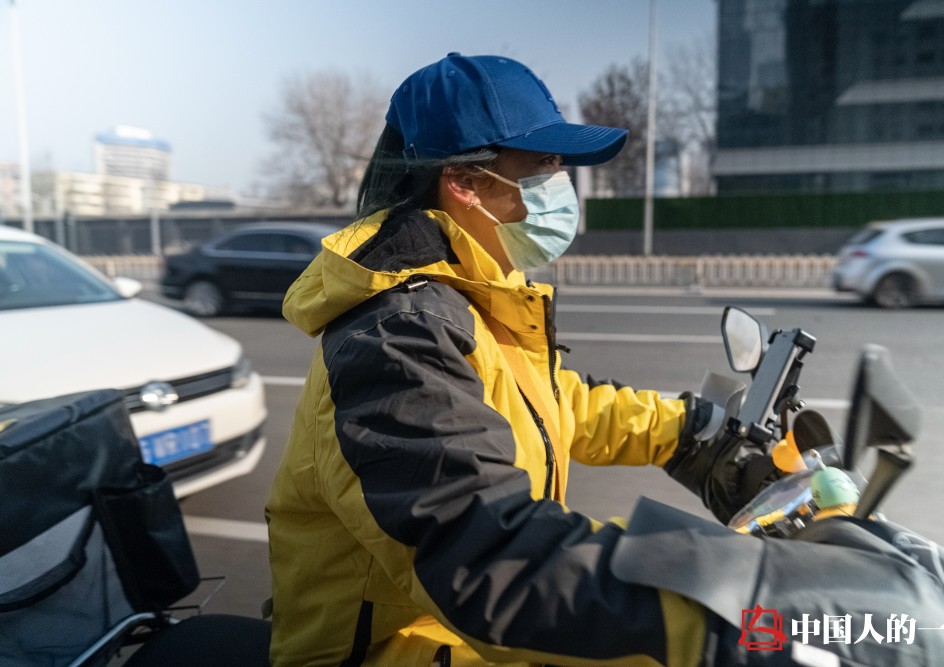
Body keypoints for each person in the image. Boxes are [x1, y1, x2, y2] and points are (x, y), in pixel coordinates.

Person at [266, 53, 776, 666]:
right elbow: (485, 558)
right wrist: (732, 615)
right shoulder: (398, 336)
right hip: (394, 648)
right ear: (466, 183)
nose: (560, 185)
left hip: (457, 636)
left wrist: (692, 433)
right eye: (541, 166)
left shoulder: (469, 294)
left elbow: (557, 402)